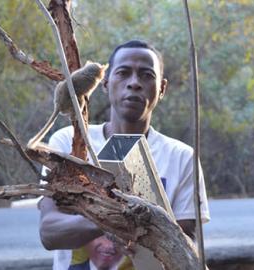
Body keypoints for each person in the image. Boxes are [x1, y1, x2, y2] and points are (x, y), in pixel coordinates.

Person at [38, 39, 210, 270]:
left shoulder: (181, 157)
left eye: (147, 75)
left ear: (162, 89)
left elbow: (186, 247)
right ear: (106, 83)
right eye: (123, 73)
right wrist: (119, 219)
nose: (134, 83)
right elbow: (50, 233)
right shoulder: (69, 141)